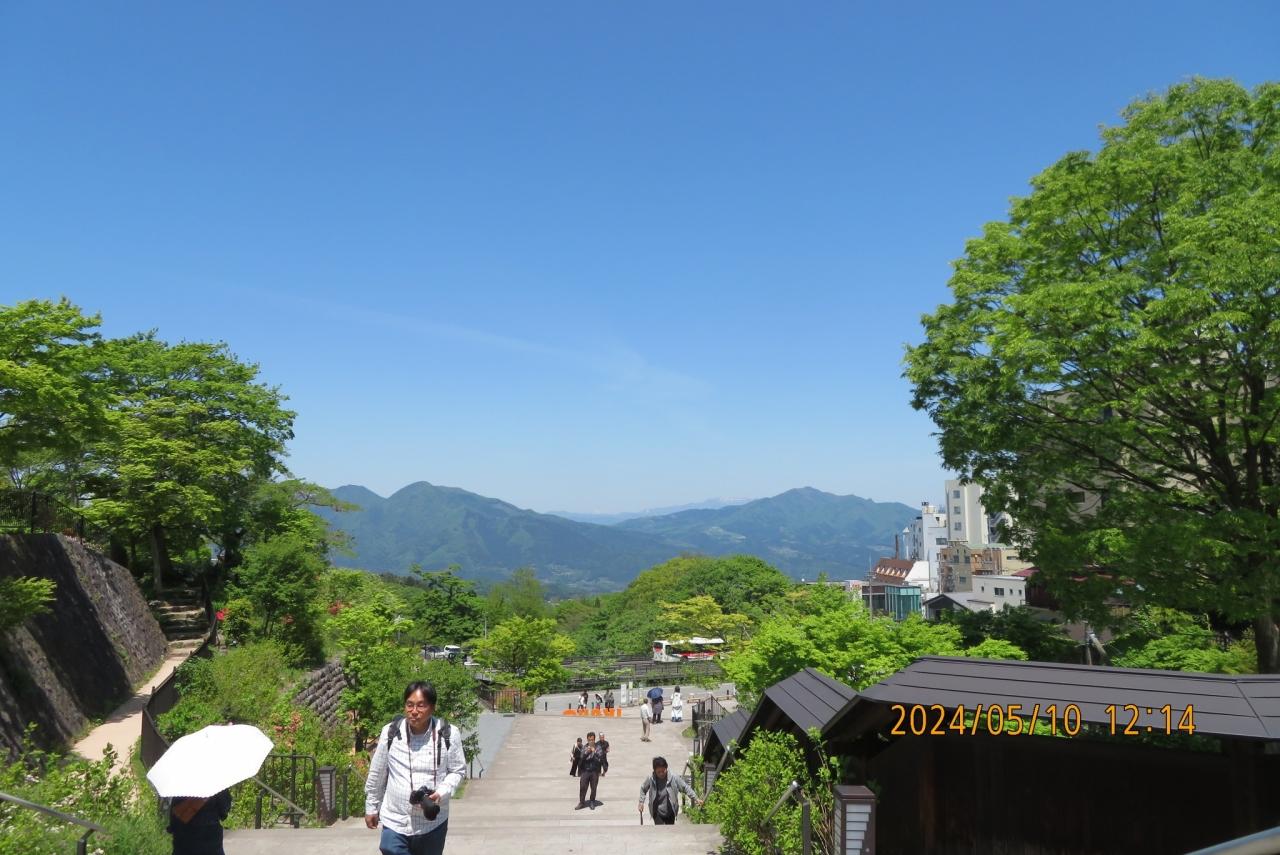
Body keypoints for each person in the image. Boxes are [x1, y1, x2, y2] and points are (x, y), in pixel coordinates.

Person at [365, 681, 468, 855]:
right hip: (395, 820)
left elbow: (458, 770)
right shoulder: (391, 733)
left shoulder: (448, 734)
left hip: (432, 823)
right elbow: (377, 772)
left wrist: (441, 792)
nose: (414, 711)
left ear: (432, 707)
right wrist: (371, 807)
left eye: (421, 705)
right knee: (391, 849)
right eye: (409, 705)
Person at [638, 756, 702, 825]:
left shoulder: (674, 777)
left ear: (666, 768)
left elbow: (685, 788)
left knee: (670, 829)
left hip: (671, 811)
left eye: (663, 771)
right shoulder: (651, 778)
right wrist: (641, 802)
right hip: (657, 812)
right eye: (658, 772)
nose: (661, 774)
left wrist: (696, 798)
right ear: (654, 771)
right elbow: (643, 789)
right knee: (661, 830)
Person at [167, 789, 231, 855]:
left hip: (184, 835)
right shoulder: (215, 786)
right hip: (210, 835)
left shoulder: (180, 786)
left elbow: (174, 814)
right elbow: (224, 809)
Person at [575, 731, 603, 810]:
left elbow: (600, 758)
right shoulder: (584, 747)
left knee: (593, 788)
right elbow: (582, 757)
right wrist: (588, 752)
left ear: (594, 739)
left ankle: (592, 801)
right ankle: (581, 802)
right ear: (587, 740)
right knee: (582, 787)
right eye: (589, 740)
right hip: (585, 770)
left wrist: (595, 751)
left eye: (592, 740)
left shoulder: (598, 747)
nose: (591, 741)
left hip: (594, 771)